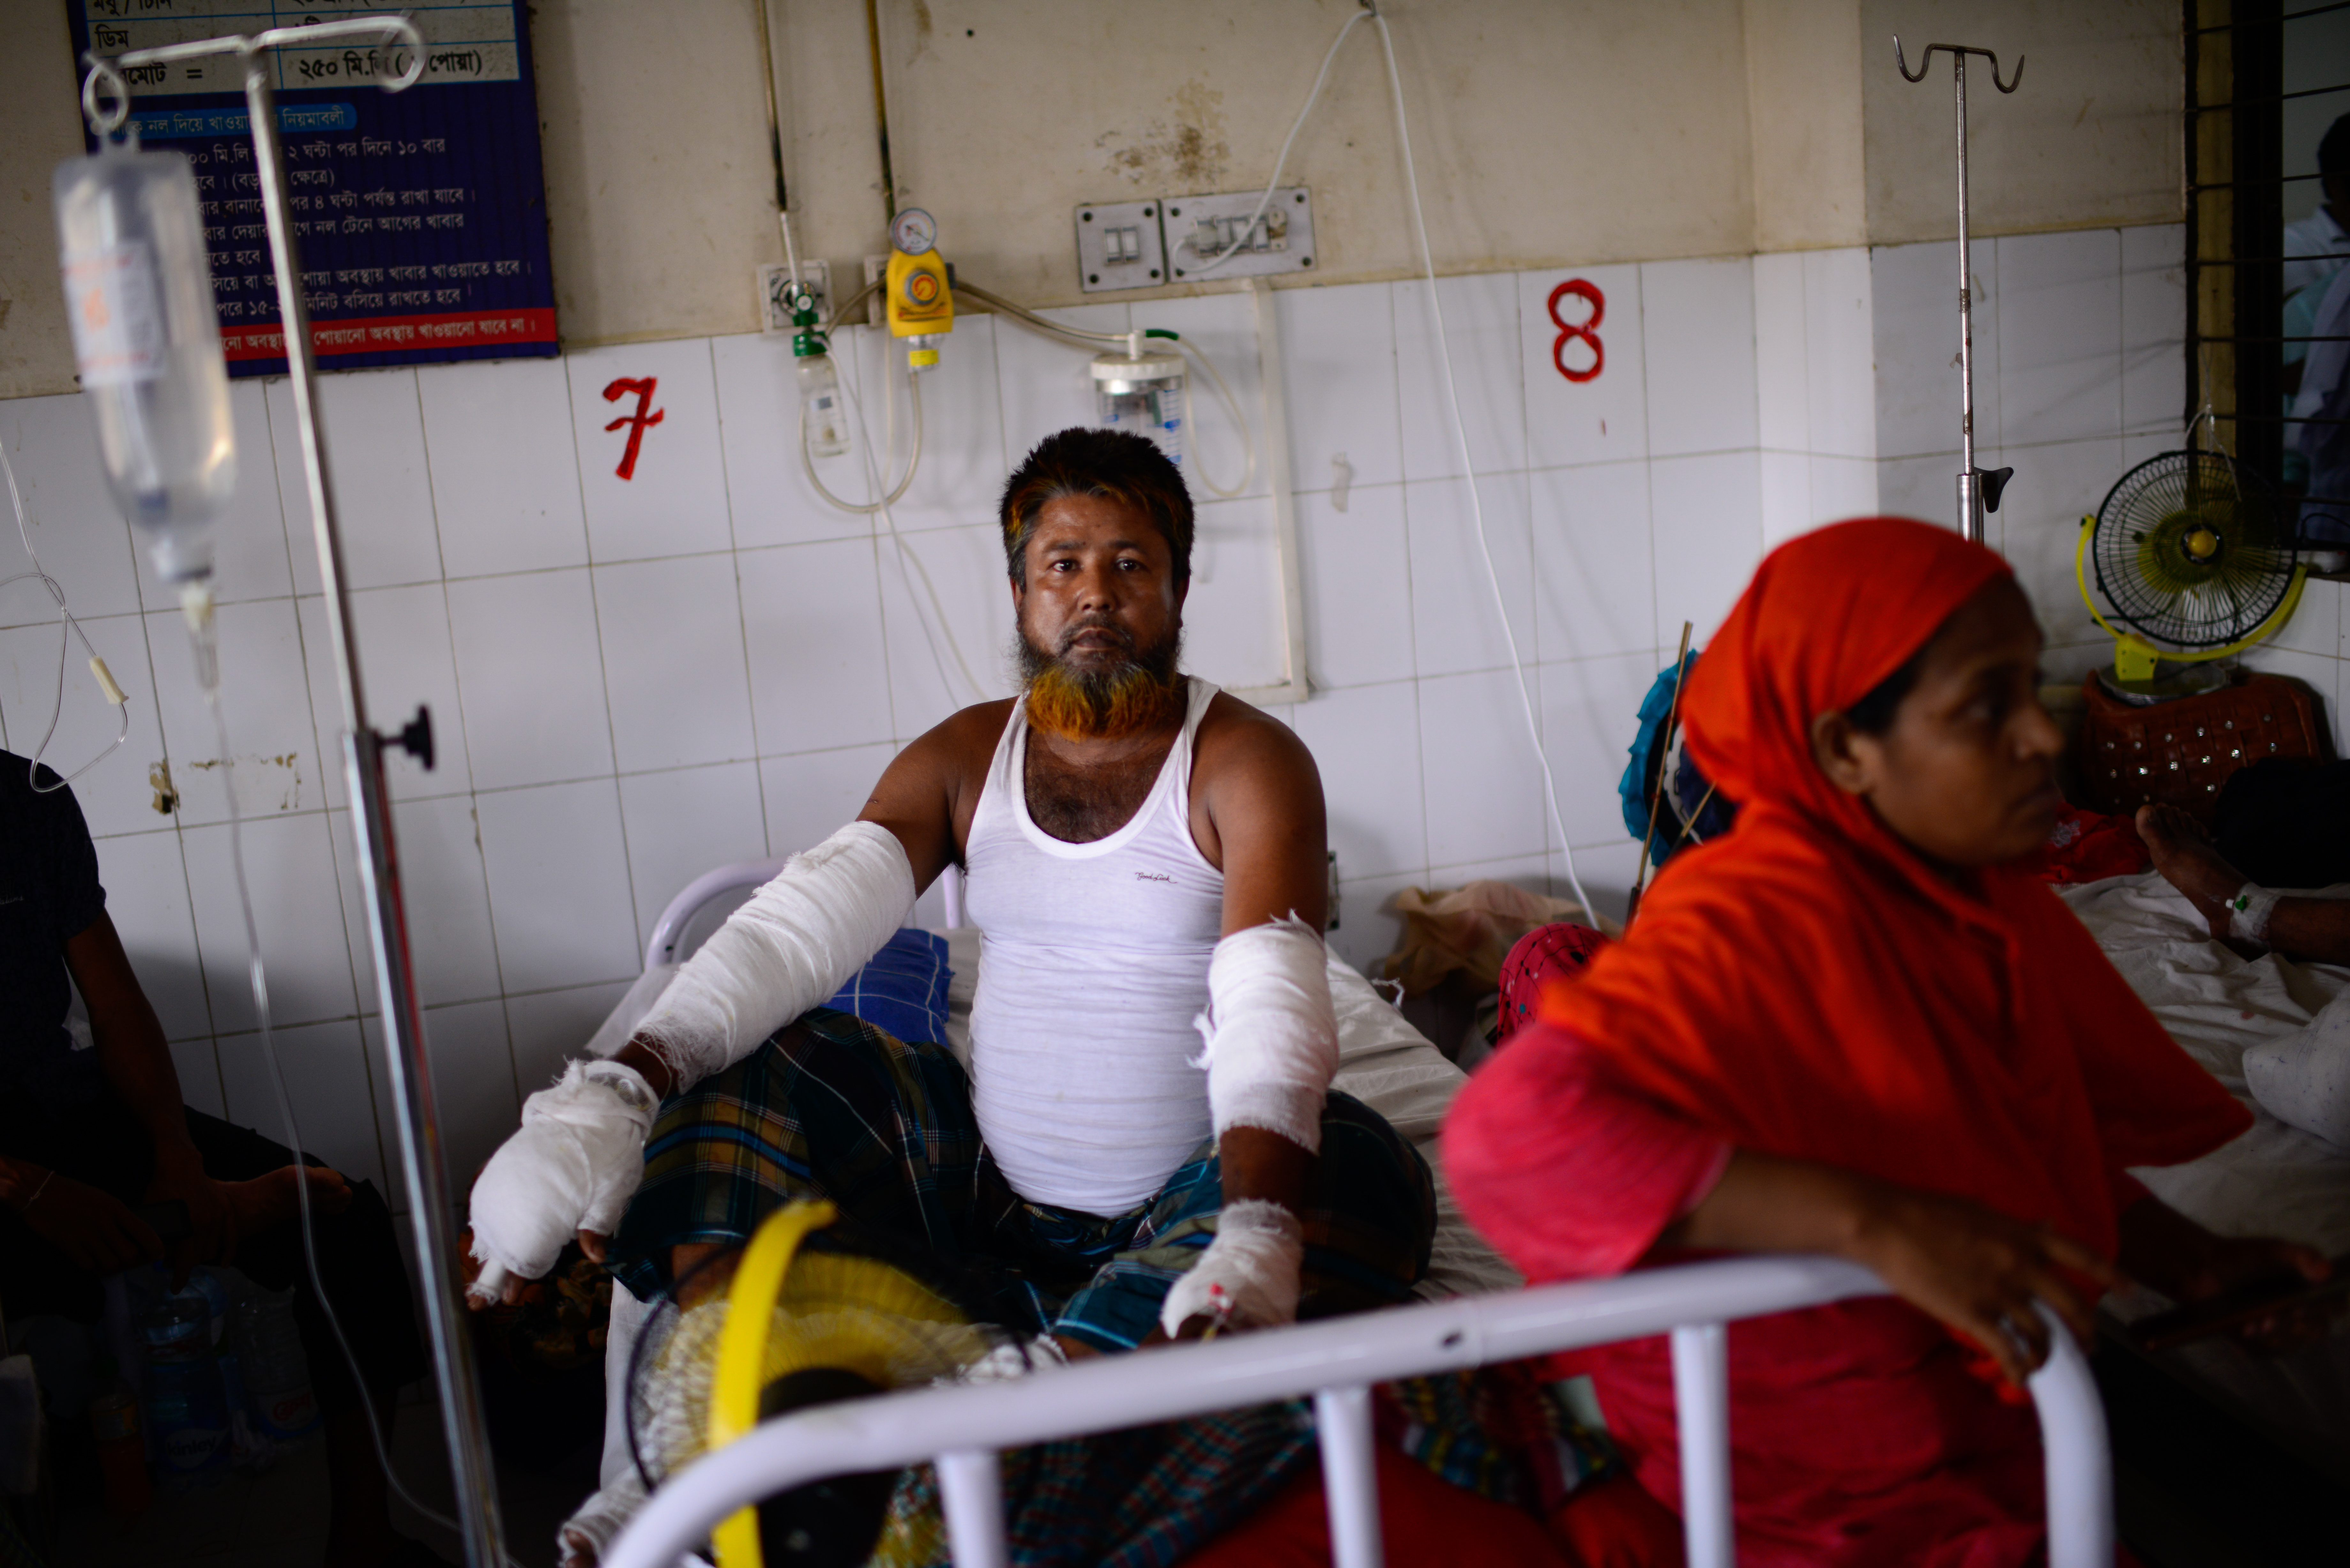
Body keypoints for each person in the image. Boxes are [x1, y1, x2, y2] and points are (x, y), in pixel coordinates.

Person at [1443, 518, 2334, 1568]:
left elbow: (2005, 1142)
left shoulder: (1975, 915)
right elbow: (1509, 1135)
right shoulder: (1747, 919)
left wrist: (2189, 1261)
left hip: (1978, 1458)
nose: (2043, 736)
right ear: (1843, 750)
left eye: (2029, 685)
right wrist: (1882, 1227)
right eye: (1984, 706)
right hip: (1796, 1501)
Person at [468, 423, 1431, 1348]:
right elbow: (800, 929)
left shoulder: (1248, 760)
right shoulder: (967, 754)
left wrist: (1253, 1230)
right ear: (1020, 595)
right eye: (1063, 565)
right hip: (973, 1192)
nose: (1095, 594)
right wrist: (610, 1096)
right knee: (752, 1068)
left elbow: (1271, 1003)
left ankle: (1044, 1382)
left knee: (1349, 1160)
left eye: (1131, 565)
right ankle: (729, 1371)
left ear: (1180, 596)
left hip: (1180, 1204)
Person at [0, 752, 431, 1564]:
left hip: (60, 1108)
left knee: (348, 1221)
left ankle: (365, 1545)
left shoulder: (28, 799)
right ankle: (162, 1222)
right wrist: (23, 1186)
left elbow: (114, 999)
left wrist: (177, 1154)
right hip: (11, 1172)